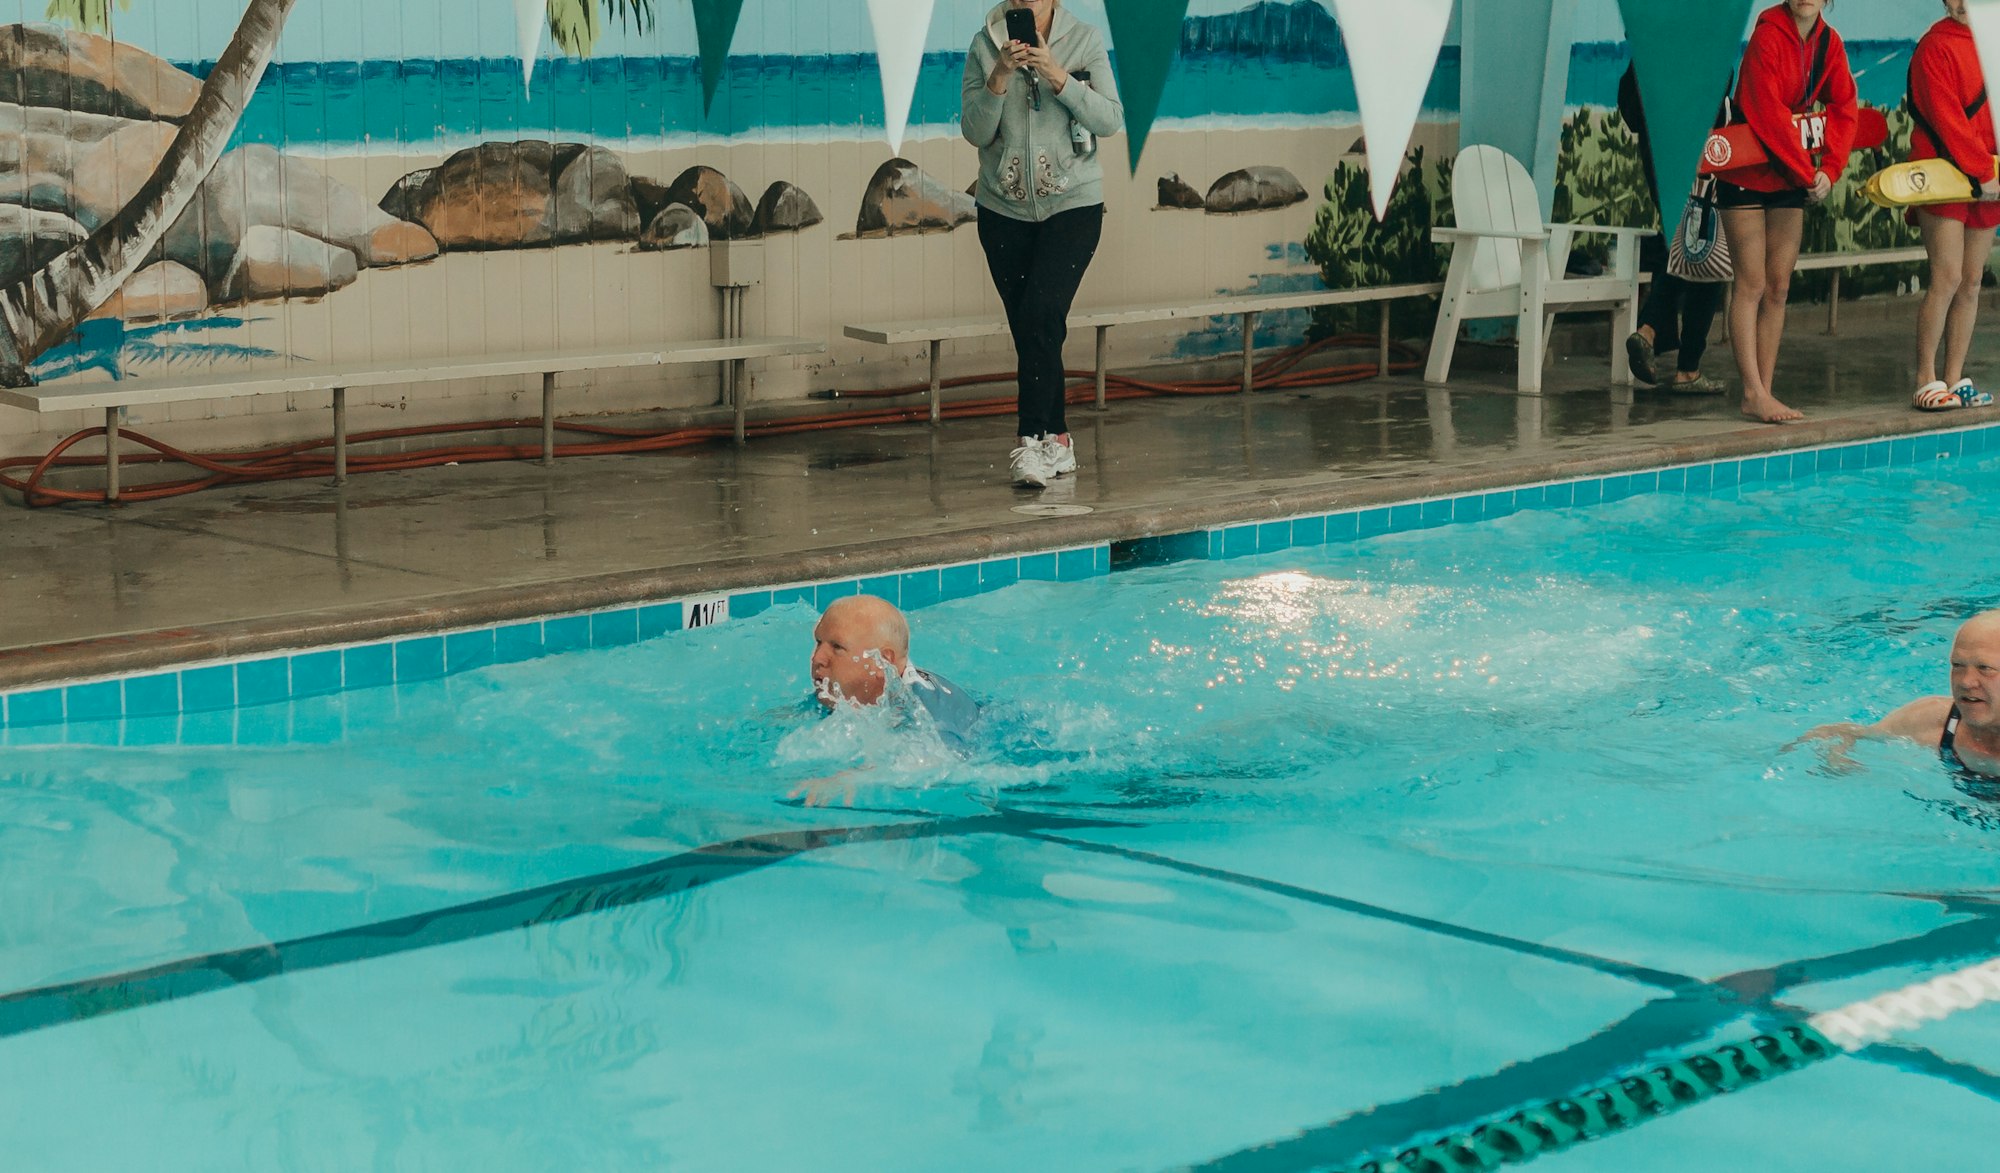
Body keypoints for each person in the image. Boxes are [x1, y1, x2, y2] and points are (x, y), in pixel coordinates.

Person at [961, 0, 1123, 488]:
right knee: (1034, 328)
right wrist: (999, 77)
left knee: (1041, 314)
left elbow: (1110, 119)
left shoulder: (1084, 40)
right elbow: (974, 130)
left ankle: (1031, 441)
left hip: (1072, 204)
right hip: (1002, 211)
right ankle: (1060, 441)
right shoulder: (985, 45)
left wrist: (1057, 75)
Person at [1718, 0, 1858, 424]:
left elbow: (1845, 107)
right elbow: (1768, 113)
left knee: (1778, 286)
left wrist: (1830, 170)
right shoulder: (1767, 34)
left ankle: (1765, 388)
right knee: (1752, 282)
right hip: (1746, 167)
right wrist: (1806, 171)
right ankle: (1752, 391)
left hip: (1788, 177)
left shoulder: (1829, 43)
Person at [1908, 0, 2000, 413]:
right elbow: (1946, 119)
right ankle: (1925, 378)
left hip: (1988, 180)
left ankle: (1954, 376)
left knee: (1971, 279)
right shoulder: (1934, 46)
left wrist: (1989, 173)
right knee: (1945, 276)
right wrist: (1982, 170)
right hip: (1943, 175)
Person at [1618, 64, 1728, 395]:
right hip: (1697, 160)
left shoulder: (1649, 51)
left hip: (1660, 157)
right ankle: (1681, 363)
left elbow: (1632, 112)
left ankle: (1654, 335)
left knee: (1685, 249)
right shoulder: (1701, 40)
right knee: (1706, 258)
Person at [1795, 611, 2000, 778]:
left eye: (1985, 668)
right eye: (1958, 665)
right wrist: (1833, 753)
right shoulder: (1933, 721)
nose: (1965, 681)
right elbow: (1840, 733)